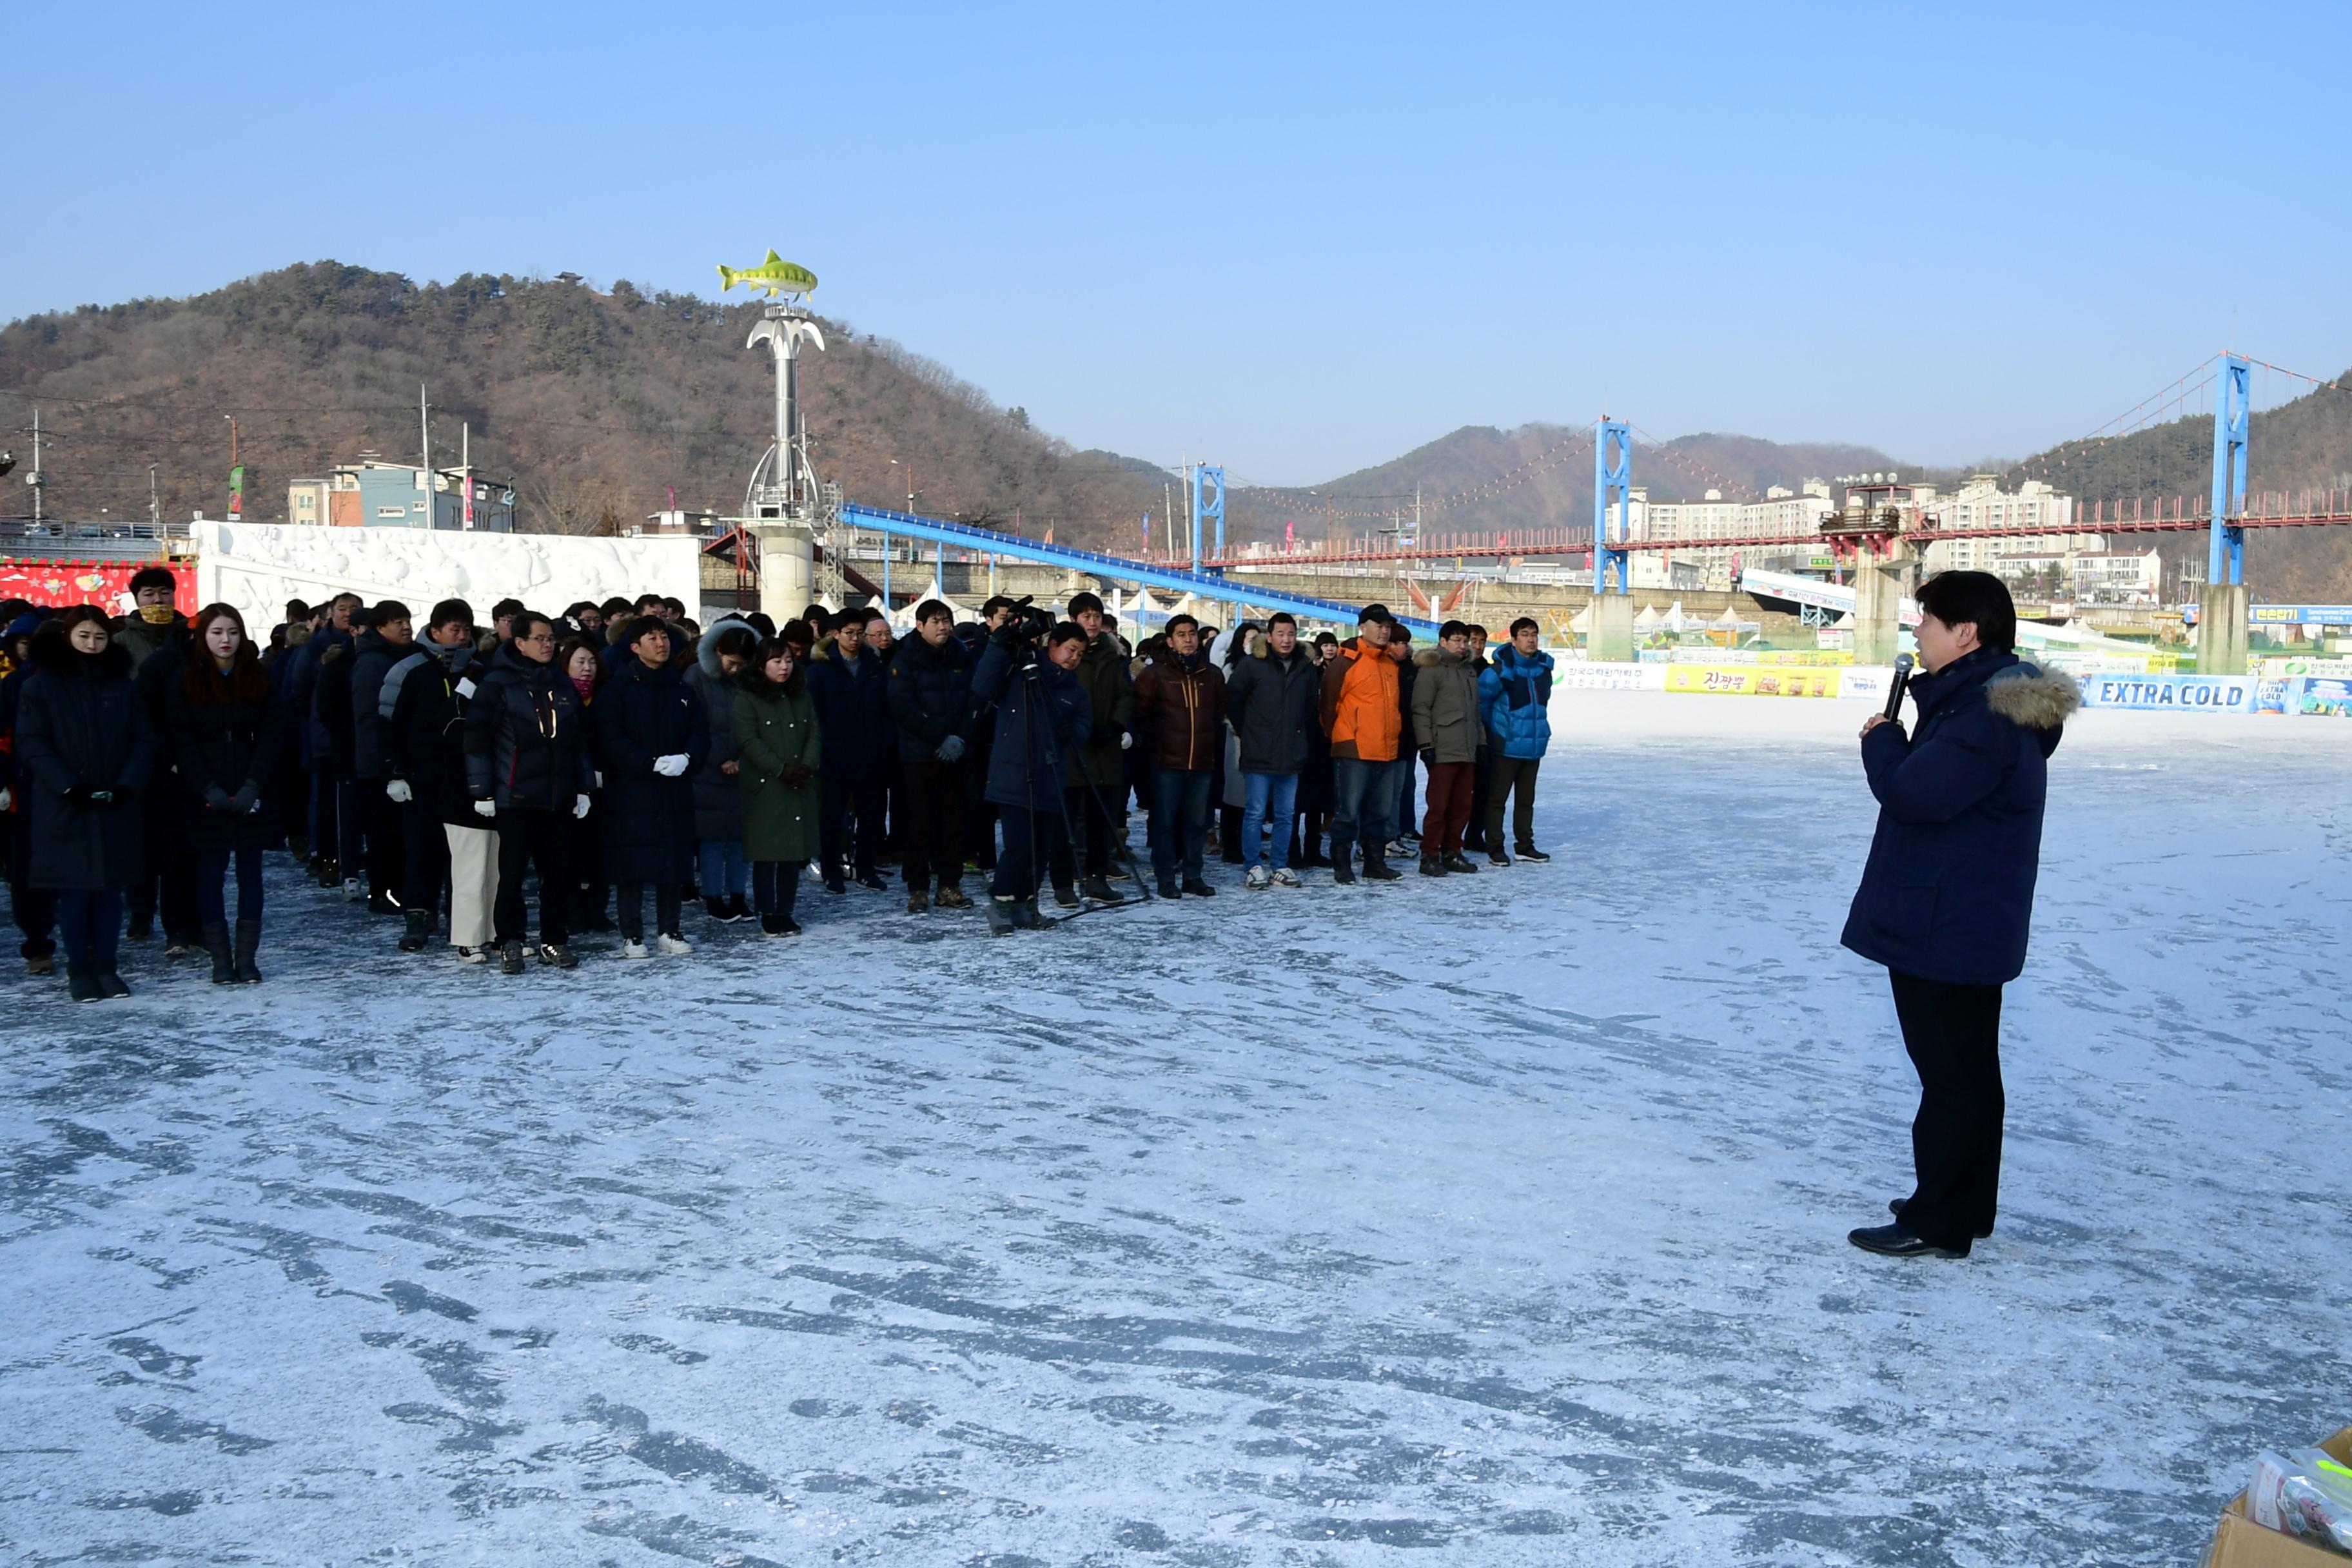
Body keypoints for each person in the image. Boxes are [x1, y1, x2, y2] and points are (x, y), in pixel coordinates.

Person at [1840, 571, 2079, 1260]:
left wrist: (1882, 739)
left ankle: (1939, 1218)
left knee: (1950, 1076)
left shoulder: (1982, 714)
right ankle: (1962, 1203)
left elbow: (1912, 793)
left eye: (1928, 620)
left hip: (1945, 921)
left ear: (1966, 633)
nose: (1918, 631)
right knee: (1970, 1071)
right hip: (1964, 914)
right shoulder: (1988, 704)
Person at [14, 607, 156, 1001]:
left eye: (99, 637)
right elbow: (32, 743)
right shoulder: (41, 687)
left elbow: (143, 740)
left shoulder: (122, 686)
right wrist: (68, 786)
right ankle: (80, 968)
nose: (92, 644)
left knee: (110, 892)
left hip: (115, 803)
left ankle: (107, 967)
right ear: (69, 638)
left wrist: (128, 785)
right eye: (84, 636)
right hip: (65, 805)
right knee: (74, 892)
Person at [465, 611, 591, 974]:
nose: (548, 644)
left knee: (558, 875)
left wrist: (584, 787)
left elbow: (577, 742)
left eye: (551, 638)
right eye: (540, 638)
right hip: (515, 795)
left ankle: (554, 938)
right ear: (519, 642)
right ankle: (510, 939)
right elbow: (477, 739)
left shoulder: (562, 684)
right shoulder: (498, 684)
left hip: (558, 796)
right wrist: (482, 790)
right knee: (512, 875)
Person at [165, 604, 282, 983]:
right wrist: (208, 787)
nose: (225, 640)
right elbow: (181, 741)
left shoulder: (259, 677)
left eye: (232, 632)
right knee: (209, 875)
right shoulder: (185, 680)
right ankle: (220, 960)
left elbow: (274, 735)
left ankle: (246, 958)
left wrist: (253, 784)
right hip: (204, 792)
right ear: (203, 638)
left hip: (250, 787)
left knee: (251, 875)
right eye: (217, 633)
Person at [972, 617, 1090, 935]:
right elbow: (982, 685)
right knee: (1019, 845)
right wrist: (999, 645)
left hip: (1050, 775)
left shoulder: (1073, 690)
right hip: (1013, 774)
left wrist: (1072, 732)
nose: (1074, 658)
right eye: (1071, 649)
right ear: (1052, 646)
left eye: (1080, 653)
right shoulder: (1021, 672)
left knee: (1042, 847)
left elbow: (1083, 726)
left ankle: (1027, 904)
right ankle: (1001, 903)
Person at [595, 616, 705, 956]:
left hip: (674, 787)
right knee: (632, 864)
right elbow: (610, 738)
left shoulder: (682, 688)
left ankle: (670, 930)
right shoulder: (618, 689)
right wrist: (647, 763)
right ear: (634, 647)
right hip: (632, 789)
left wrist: (688, 758)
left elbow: (700, 732)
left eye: (664, 637)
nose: (661, 643)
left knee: (672, 859)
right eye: (652, 638)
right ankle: (632, 934)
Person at [380, 600, 480, 952]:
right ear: (434, 631)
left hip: (465, 779)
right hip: (421, 777)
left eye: (467, 629)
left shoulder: (477, 671)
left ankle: (463, 922)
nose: (462, 636)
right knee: (421, 850)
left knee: (464, 854)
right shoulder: (409, 670)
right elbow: (390, 726)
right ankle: (418, 918)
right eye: (455, 629)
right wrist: (396, 773)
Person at [886, 599, 976, 913]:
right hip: (919, 755)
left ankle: (950, 884)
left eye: (946, 620)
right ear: (920, 626)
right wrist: (940, 736)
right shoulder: (905, 659)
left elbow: (972, 701)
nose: (943, 626)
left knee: (954, 822)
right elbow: (902, 707)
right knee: (919, 822)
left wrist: (960, 737)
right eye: (935, 621)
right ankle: (918, 886)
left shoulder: (961, 656)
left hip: (957, 754)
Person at [1132, 612, 1226, 900]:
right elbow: (1140, 715)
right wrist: (1155, 745)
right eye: (1182, 635)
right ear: (1171, 641)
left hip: (1201, 761)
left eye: (1192, 634)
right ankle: (1165, 876)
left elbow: (1219, 712)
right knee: (1165, 822)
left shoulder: (1211, 675)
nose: (1188, 639)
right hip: (1167, 762)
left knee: (1198, 822)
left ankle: (1193, 875)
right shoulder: (1156, 675)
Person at [1224, 612, 1319, 889]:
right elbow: (1234, 700)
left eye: (1291, 634)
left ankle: (1280, 864)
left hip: (1292, 751)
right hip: (1259, 751)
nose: (1286, 639)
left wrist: (1299, 732)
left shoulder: (1305, 667)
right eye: (1280, 634)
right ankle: (1253, 865)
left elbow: (1311, 705)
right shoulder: (1253, 665)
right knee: (1254, 812)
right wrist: (1248, 731)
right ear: (1270, 636)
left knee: (1286, 814)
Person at [735, 638, 821, 936]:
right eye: (776, 661)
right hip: (766, 784)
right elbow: (749, 740)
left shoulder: (801, 695)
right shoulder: (747, 697)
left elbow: (813, 732)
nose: (784, 667)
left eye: (787, 660)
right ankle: (768, 912)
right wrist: (780, 769)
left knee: (792, 851)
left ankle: (786, 909)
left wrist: (807, 766)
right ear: (762, 666)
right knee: (767, 852)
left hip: (798, 780)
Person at [1318, 605, 1407, 884]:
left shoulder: (1390, 664)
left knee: (1379, 812)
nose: (1384, 631)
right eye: (1378, 625)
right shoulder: (1345, 663)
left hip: (1386, 749)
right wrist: (1342, 737)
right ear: (1362, 627)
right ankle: (1342, 865)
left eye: (1387, 626)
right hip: (1354, 749)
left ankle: (1374, 863)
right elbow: (1327, 706)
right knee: (1349, 812)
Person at [806, 609, 891, 894]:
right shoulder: (820, 669)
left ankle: (866, 869)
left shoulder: (874, 666)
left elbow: (885, 710)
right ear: (835, 634)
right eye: (849, 633)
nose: (854, 639)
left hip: (870, 752)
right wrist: (823, 747)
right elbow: (813, 713)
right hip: (835, 754)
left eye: (858, 633)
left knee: (870, 817)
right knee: (832, 817)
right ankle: (832, 871)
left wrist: (882, 742)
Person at [685, 616, 759, 923]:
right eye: (731, 663)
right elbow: (694, 725)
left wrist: (745, 758)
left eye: (743, 663)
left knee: (743, 839)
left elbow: (758, 722)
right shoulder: (695, 677)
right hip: (707, 771)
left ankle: (739, 896)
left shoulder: (754, 680)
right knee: (713, 840)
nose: (736, 669)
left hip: (746, 768)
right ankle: (713, 896)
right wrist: (719, 759)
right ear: (717, 653)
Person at [1063, 593, 1133, 905]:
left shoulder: (1113, 654)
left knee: (1100, 817)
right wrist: (1078, 728)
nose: (1092, 622)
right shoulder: (1066, 654)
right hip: (1072, 747)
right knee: (1069, 817)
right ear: (1074, 620)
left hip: (1105, 748)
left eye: (1096, 615)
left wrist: (1116, 725)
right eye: (1086, 616)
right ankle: (1065, 877)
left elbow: (1125, 694)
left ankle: (1097, 876)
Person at [0, 611, 59, 974]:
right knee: (26, 872)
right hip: (24, 788)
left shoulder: (81, 680)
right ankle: (38, 944)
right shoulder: (13, 685)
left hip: (71, 787)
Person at [349, 599, 414, 914]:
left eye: (407, 620)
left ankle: (395, 888)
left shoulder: (399, 656)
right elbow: (369, 718)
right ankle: (384, 892)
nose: (405, 627)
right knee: (383, 832)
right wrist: (385, 763)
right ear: (379, 628)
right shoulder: (373, 662)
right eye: (397, 622)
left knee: (397, 831)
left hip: (394, 759)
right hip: (378, 764)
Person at [1410, 620, 1487, 876]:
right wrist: (1426, 745)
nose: (1463, 645)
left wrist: (1481, 742)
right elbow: (1420, 709)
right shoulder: (1432, 669)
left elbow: (1475, 712)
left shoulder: (1468, 670)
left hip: (1467, 748)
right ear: (1443, 642)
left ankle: (1453, 851)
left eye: (1465, 640)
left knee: (1462, 805)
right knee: (1439, 806)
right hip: (1443, 747)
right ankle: (1430, 854)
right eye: (1457, 640)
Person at [1478, 617, 1554, 865]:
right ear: (1513, 640)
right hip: (1505, 746)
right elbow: (1482, 704)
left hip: (1533, 746)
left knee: (1526, 801)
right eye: (1524, 634)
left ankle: (1524, 846)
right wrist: (1499, 732)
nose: (1531, 639)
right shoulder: (1499, 671)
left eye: (1534, 634)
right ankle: (1495, 847)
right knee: (1497, 800)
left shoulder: (1544, 669)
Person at [555, 633, 614, 935]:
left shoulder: (606, 695)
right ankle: (573, 912)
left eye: (592, 661)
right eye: (580, 661)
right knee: (570, 853)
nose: (587, 668)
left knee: (599, 852)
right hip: (569, 786)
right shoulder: (558, 695)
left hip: (604, 785)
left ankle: (597, 910)